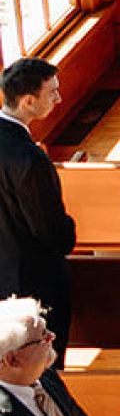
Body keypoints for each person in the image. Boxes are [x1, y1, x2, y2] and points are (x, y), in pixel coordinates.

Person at [0, 57, 74, 358]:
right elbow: (51, 231)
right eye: (52, 92)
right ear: (29, 101)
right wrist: (68, 230)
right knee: (43, 363)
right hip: (34, 281)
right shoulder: (30, 160)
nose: (59, 98)